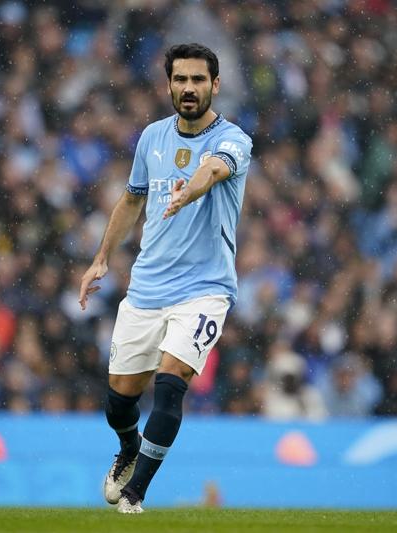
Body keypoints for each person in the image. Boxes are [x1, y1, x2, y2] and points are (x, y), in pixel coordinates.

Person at [78, 43, 252, 513]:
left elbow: (213, 170)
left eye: (198, 80)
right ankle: (129, 448)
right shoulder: (152, 137)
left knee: (172, 381)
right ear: (169, 85)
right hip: (147, 288)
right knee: (119, 401)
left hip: (205, 289)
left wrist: (187, 193)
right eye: (181, 79)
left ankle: (135, 494)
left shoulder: (233, 138)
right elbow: (132, 199)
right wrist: (101, 258)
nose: (189, 88)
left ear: (215, 85)